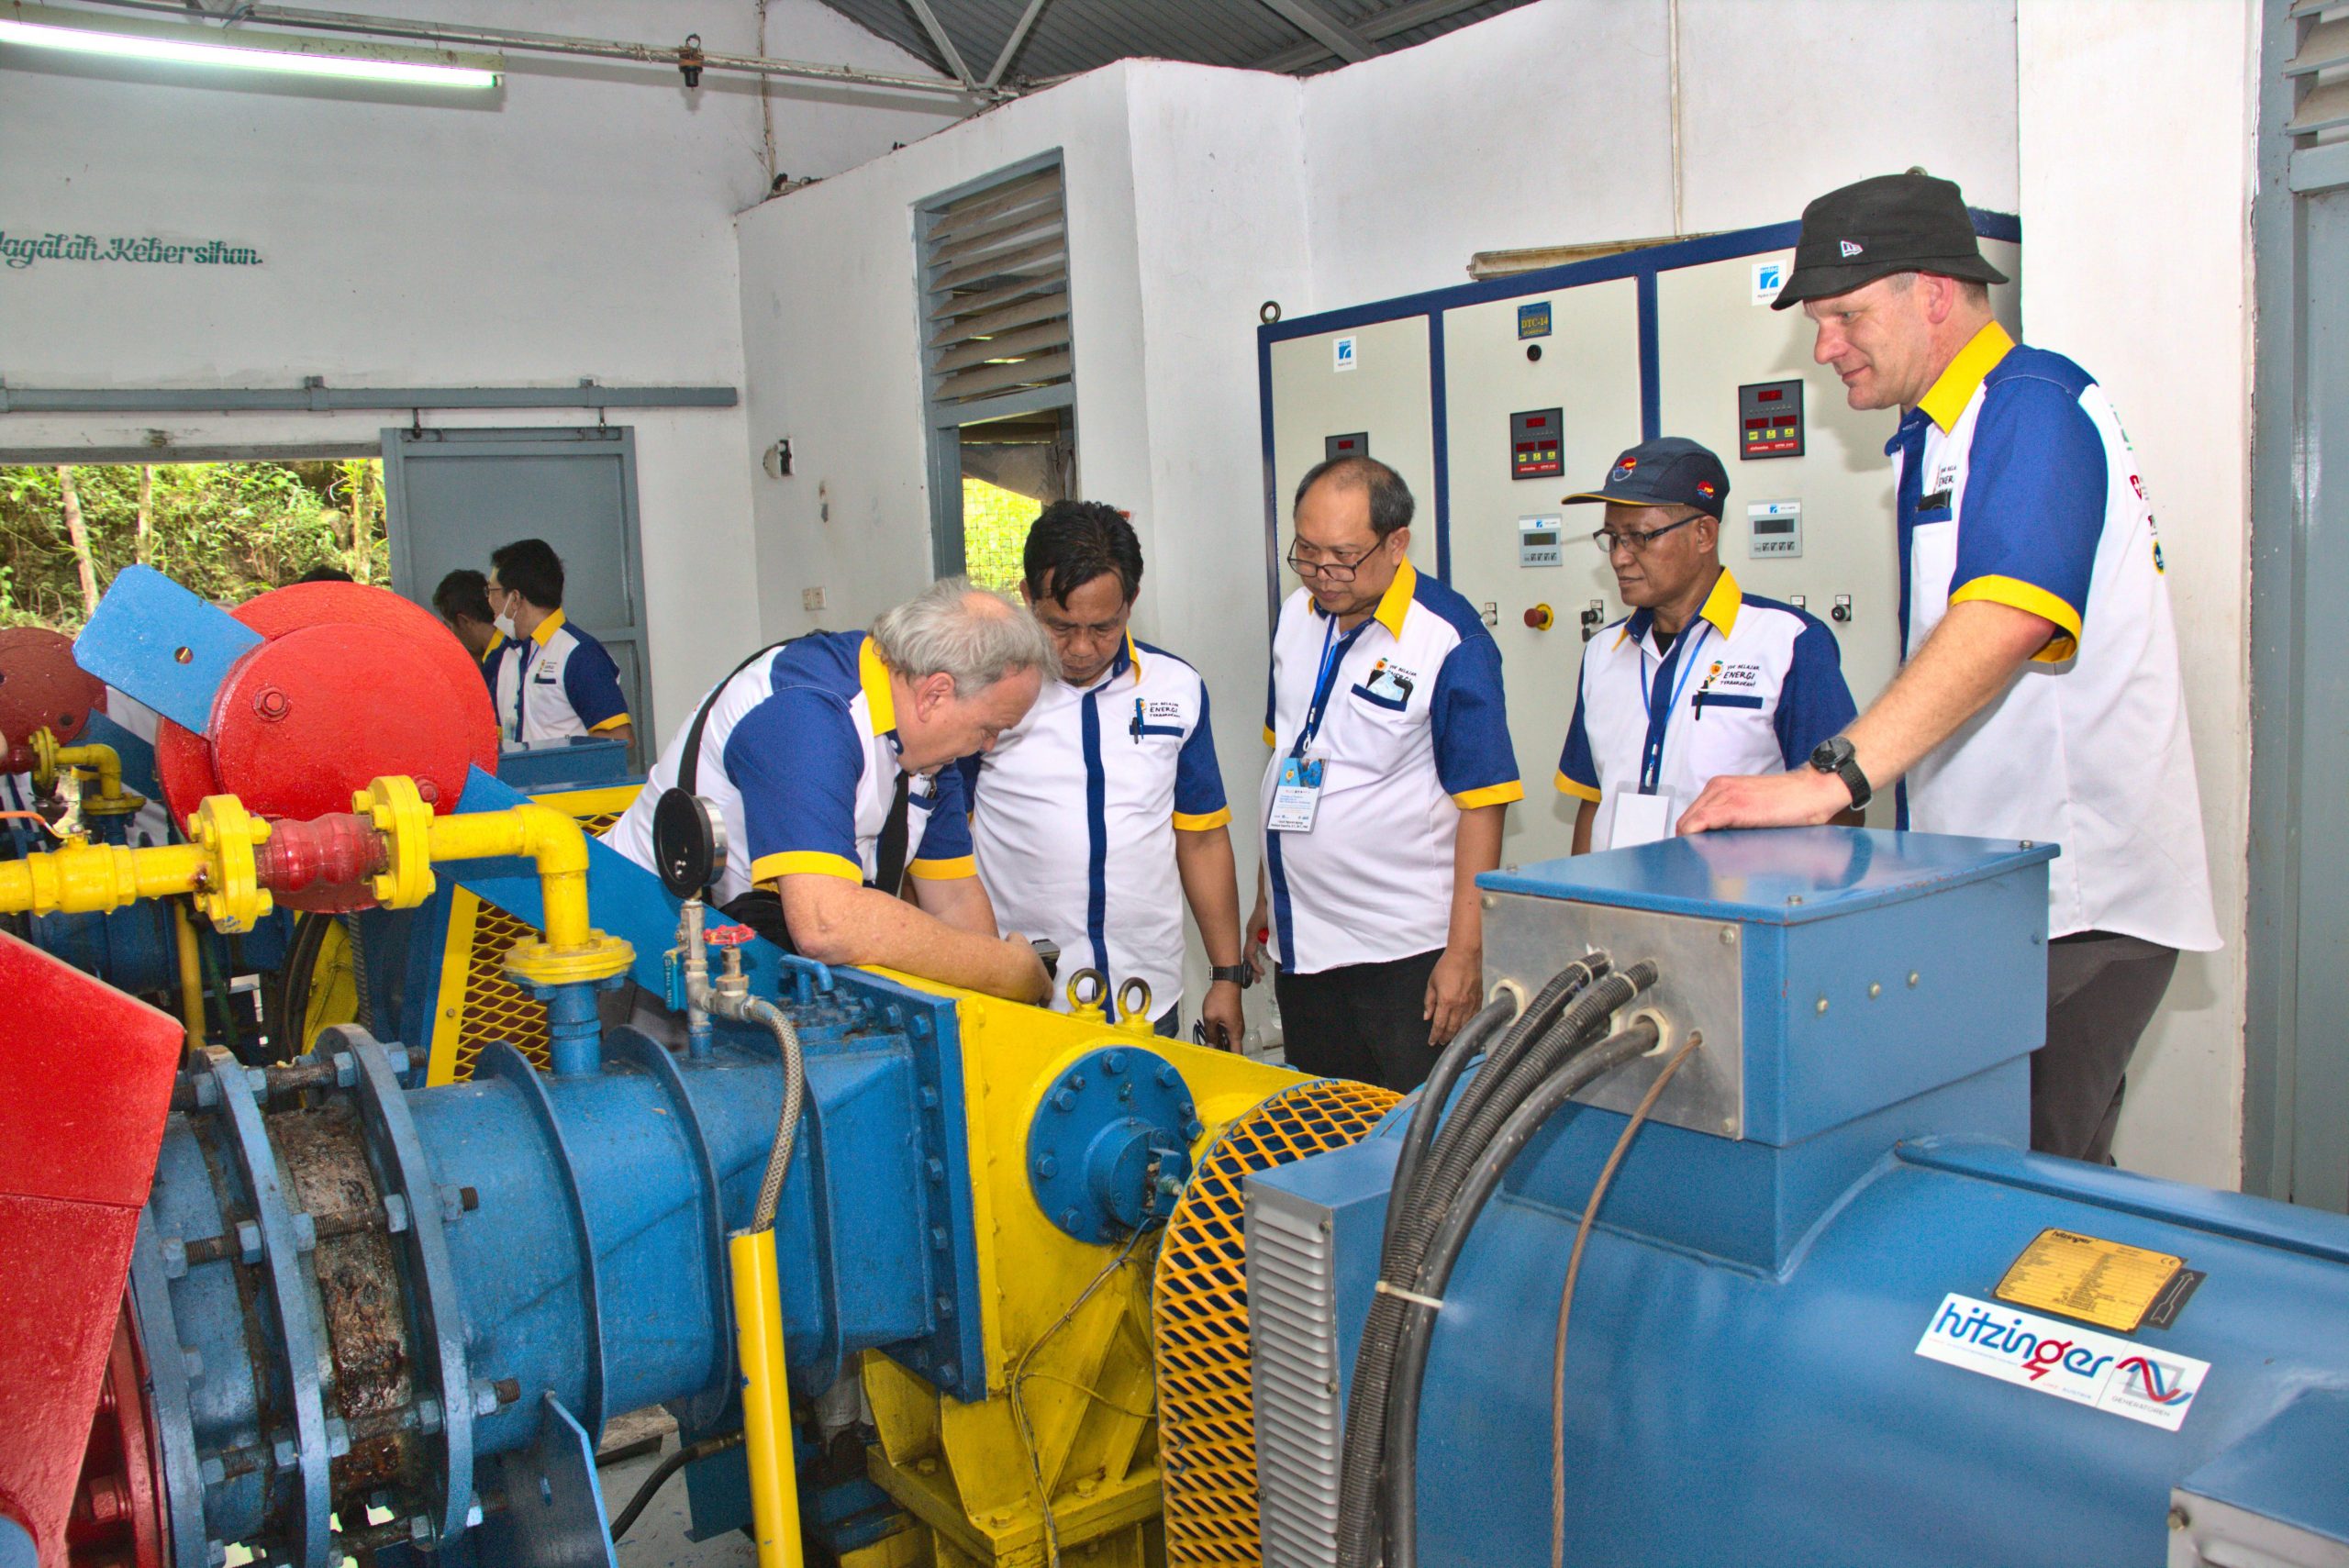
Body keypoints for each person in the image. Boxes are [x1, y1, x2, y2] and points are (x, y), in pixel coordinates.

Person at [1677, 171, 2219, 1163]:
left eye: (1843, 314)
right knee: (2010, 1173)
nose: (1823, 344)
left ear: (1930, 292)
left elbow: (2006, 615)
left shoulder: (2034, 404)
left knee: (2025, 1186)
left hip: (2074, 905)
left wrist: (1825, 776)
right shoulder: (1936, 434)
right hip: (2007, 892)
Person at [603, 578, 1053, 1003]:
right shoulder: (806, 714)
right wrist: (1004, 971)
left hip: (755, 956)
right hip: (645, 959)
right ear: (935, 693)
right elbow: (826, 924)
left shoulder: (933, 748)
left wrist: (996, 993)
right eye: (989, 728)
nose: (989, 745)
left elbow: (953, 901)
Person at [1247, 456, 1521, 1091]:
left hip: (1403, 958)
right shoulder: (1297, 616)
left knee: (1416, 1147)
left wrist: (1464, 953)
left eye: (1342, 556)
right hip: (1305, 945)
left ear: (1397, 543)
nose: (1321, 573)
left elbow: (1483, 805)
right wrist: (1266, 891)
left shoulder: (1448, 640)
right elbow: (1286, 755)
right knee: (1324, 1137)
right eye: (1306, 551)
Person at [962, 502, 1247, 1045]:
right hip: (1022, 997)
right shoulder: (986, 694)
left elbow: (1203, 838)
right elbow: (937, 850)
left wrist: (1227, 977)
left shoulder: (1175, 688)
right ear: (1028, 598)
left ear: (1131, 603)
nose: (1082, 648)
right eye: (1060, 627)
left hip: (1148, 995)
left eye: (1104, 627)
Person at [1555, 437, 1858, 852]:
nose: (1619, 558)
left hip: (1733, 909)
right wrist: (1580, 907)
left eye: (1639, 537)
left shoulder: (1787, 643)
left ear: (1703, 534)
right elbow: (1592, 800)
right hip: (1617, 906)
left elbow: (1839, 808)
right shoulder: (1602, 652)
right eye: (1612, 537)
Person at [485, 539, 634, 751]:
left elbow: (619, 738)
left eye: (491, 591)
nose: (489, 602)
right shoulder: (504, 655)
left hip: (568, 783)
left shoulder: (578, 653)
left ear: (515, 599)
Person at [431, 568, 507, 690]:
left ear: (464, 621)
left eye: (449, 626)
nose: (451, 635)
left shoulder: (496, 664)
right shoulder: (515, 642)